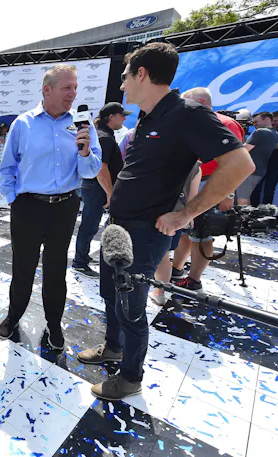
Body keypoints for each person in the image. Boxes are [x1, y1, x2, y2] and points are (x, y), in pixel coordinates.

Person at [76, 42, 253, 401]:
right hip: (119, 227)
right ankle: (114, 348)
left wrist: (187, 213)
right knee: (111, 295)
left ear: (141, 74)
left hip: (144, 232)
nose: (122, 85)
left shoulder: (187, 113)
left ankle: (130, 377)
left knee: (131, 306)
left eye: (125, 77)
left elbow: (240, 164)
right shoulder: (149, 116)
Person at [0, 64, 102, 347]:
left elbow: (91, 171)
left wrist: (85, 151)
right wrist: (14, 201)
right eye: (67, 87)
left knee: (56, 271)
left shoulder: (83, 125)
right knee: (23, 268)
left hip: (64, 207)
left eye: (75, 88)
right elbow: (6, 168)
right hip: (28, 207)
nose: (73, 93)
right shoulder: (23, 124)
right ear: (47, 89)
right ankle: (13, 316)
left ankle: (54, 324)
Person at [169, 87, 245, 292]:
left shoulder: (225, 123)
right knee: (186, 230)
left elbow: (237, 163)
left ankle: (194, 279)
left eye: (188, 103)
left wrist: (228, 193)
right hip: (191, 179)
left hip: (210, 183)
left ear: (201, 102)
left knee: (201, 233)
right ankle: (176, 270)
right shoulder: (197, 121)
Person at [72, 102, 130, 277]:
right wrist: (110, 193)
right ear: (111, 117)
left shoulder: (103, 135)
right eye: (122, 115)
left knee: (90, 225)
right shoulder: (104, 137)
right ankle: (79, 262)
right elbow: (101, 169)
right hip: (96, 188)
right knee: (89, 225)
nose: (124, 119)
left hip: (96, 188)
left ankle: (83, 257)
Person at [149, 161, 201, 305]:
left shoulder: (163, 156)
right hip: (178, 216)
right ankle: (159, 292)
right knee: (165, 255)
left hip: (158, 214)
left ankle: (158, 292)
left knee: (161, 256)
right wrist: (188, 217)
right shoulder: (196, 166)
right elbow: (193, 197)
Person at [238, 111, 278, 205]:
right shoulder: (274, 133)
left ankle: (249, 214)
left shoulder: (261, 132)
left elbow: (243, 150)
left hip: (256, 169)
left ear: (267, 120)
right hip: (260, 168)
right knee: (250, 194)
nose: (254, 124)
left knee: (243, 197)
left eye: (256, 122)